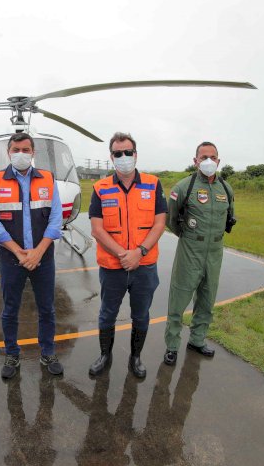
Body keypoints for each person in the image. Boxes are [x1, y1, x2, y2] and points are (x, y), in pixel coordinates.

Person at [0, 132, 64, 379]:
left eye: (26, 149)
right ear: (8, 152)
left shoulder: (48, 179)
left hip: (43, 259)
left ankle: (48, 351)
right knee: (9, 309)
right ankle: (11, 352)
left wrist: (38, 251)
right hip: (12, 260)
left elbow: (55, 219)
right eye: (16, 149)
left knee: (47, 309)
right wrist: (18, 251)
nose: (21, 154)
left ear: (33, 153)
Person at [88, 132, 167, 378]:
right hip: (113, 267)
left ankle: (136, 357)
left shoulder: (153, 184)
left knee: (141, 314)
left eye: (128, 152)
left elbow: (159, 223)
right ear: (111, 157)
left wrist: (139, 252)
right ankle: (105, 355)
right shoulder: (100, 188)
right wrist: (125, 254)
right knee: (107, 313)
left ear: (136, 154)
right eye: (118, 153)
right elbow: (97, 230)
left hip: (144, 267)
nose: (123, 157)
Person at [163, 141, 235, 365]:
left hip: (215, 250)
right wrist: (187, 237)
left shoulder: (226, 188)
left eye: (212, 157)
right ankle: (172, 345)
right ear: (195, 161)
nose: (208, 161)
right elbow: (171, 219)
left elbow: (229, 218)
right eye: (203, 157)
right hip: (191, 248)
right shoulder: (184, 187)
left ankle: (197, 339)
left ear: (219, 161)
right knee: (180, 296)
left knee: (207, 297)